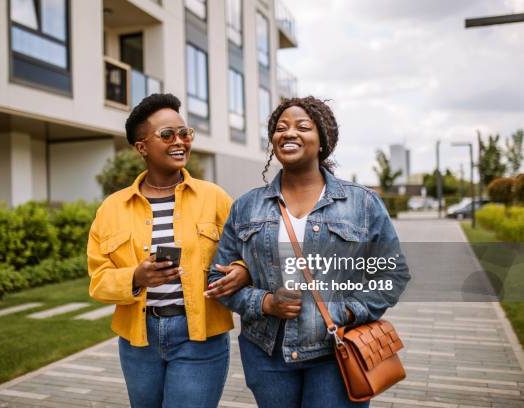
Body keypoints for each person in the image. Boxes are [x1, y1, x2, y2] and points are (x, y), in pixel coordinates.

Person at [206, 96, 410, 408]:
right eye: (280, 128)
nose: (288, 133)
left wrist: (349, 311)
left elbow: (392, 275)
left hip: (336, 351)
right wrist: (265, 302)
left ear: (322, 140)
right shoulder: (247, 206)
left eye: (303, 127)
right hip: (267, 354)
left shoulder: (362, 204)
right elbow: (216, 280)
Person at [87, 93, 250, 408]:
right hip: (138, 341)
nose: (180, 141)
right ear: (141, 147)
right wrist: (136, 276)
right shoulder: (111, 208)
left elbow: (249, 251)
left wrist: (243, 270)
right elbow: (98, 280)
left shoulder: (215, 198)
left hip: (200, 337)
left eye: (184, 133)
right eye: (167, 134)